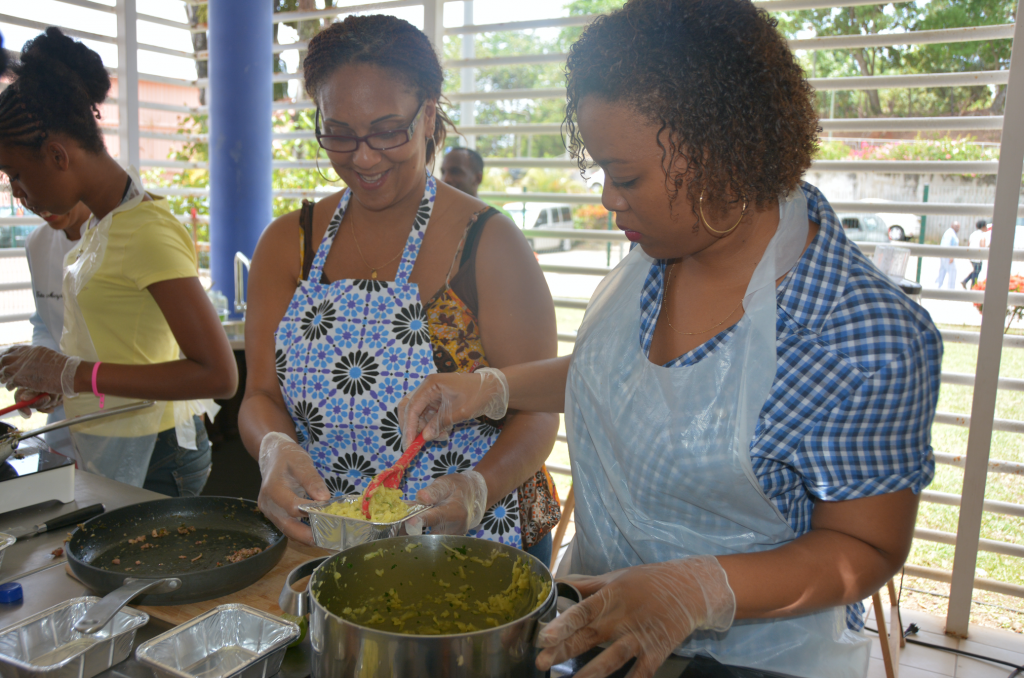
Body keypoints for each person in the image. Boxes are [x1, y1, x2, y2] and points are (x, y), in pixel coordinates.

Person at [398, 1, 942, 677]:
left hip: (757, 660)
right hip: (601, 616)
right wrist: (491, 388)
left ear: (725, 158)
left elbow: (864, 545)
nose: (609, 199)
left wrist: (700, 590)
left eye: (625, 178)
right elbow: (625, 382)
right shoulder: (657, 254)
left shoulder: (865, 336)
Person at [238, 15, 562, 562]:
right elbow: (261, 397)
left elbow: (538, 411)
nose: (362, 157)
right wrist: (274, 449)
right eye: (339, 133)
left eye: (388, 130)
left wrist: (477, 489)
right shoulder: (287, 245)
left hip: (474, 542)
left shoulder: (486, 243)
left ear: (429, 114)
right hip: (332, 541)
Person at [0, 28, 237, 495]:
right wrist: (58, 377)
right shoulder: (100, 228)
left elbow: (219, 374)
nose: (16, 193)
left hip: (159, 452)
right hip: (115, 439)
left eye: (17, 175)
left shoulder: (146, 229)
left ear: (57, 156)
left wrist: (70, 372)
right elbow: (118, 348)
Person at [12, 202, 93, 457]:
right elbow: (46, 323)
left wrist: (68, 374)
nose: (21, 194)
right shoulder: (37, 242)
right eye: (14, 179)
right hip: (65, 429)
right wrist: (43, 375)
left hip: (133, 425)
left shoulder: (119, 235)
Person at [961, 219, 987, 289]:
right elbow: (982, 246)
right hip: (978, 257)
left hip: (971, 255)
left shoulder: (973, 234)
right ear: (983, 226)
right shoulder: (982, 235)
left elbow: (969, 243)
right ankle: (972, 287)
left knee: (975, 271)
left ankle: (966, 281)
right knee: (976, 272)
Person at [935, 220, 960, 289]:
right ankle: (950, 289)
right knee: (953, 272)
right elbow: (946, 245)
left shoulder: (952, 233)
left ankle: (938, 286)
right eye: (956, 226)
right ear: (952, 226)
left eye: (958, 227)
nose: (958, 228)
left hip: (945, 256)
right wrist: (951, 256)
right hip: (947, 256)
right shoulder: (950, 233)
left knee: (942, 271)